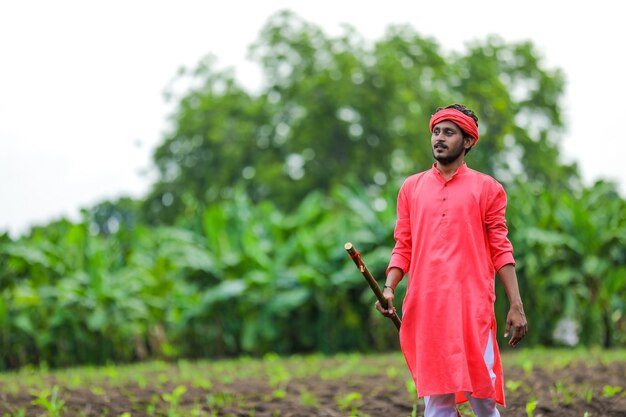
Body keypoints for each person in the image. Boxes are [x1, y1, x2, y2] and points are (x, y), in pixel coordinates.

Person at [375, 104, 528, 417]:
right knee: (437, 400)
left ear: (468, 141)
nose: (439, 138)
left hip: (472, 308)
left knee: (482, 398)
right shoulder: (411, 188)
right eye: (435, 131)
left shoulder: (488, 188)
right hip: (426, 307)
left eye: (448, 132)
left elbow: (501, 248)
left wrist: (516, 304)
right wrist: (389, 287)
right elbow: (403, 245)